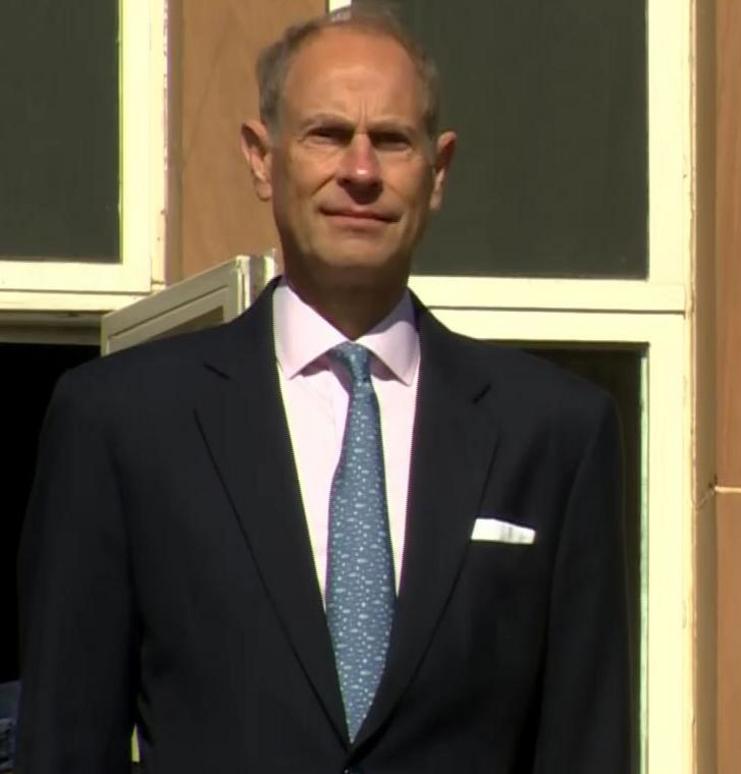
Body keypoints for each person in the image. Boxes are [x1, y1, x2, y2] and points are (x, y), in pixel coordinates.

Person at [17, 7, 630, 772]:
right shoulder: (123, 424)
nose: (362, 172)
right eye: (328, 135)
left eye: (393, 141)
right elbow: (67, 744)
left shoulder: (553, 435)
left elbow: (588, 745)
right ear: (262, 157)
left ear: (438, 172)